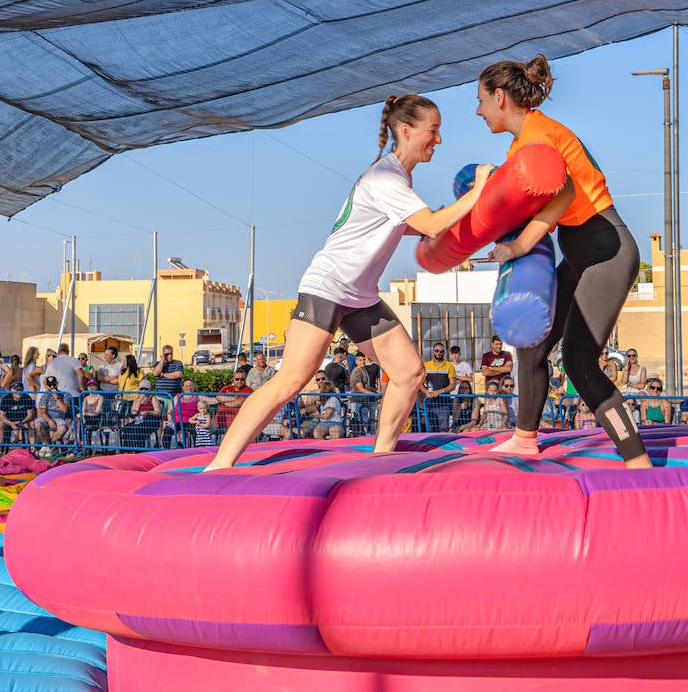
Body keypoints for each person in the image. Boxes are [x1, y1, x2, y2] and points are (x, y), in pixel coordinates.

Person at [207, 94, 492, 468]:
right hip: (328, 287)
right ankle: (220, 463)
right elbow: (431, 225)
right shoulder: (386, 176)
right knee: (291, 379)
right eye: (433, 131)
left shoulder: (398, 178)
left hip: (360, 297)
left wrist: (468, 224)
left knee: (409, 373)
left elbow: (411, 225)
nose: (438, 140)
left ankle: (382, 457)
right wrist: (479, 190)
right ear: (406, 131)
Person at [476, 56, 651, 466]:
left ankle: (638, 463)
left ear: (499, 97)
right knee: (532, 342)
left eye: (481, 100)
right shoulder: (523, 143)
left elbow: (566, 194)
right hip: (580, 250)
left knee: (577, 360)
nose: (479, 111)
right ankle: (524, 437)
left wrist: (520, 248)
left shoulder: (538, 137)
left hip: (605, 249)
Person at [421, 341, 457, 431]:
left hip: (443, 404)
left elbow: (453, 385)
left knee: (443, 431)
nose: (439, 353)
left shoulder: (449, 366)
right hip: (429, 403)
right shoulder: (426, 366)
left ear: (444, 352)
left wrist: (440, 391)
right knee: (430, 431)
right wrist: (426, 392)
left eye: (441, 351)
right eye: (436, 350)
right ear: (433, 352)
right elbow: (419, 384)